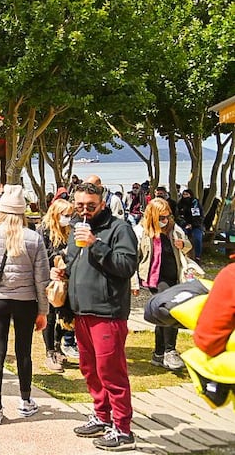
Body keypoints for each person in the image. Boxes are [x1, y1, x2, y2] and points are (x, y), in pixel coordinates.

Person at [59, 182, 138, 450]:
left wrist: (96, 245)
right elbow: (73, 261)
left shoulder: (119, 228)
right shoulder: (75, 228)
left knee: (111, 371)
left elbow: (127, 266)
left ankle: (123, 429)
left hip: (108, 311)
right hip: (81, 310)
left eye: (90, 206)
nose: (84, 211)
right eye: (79, 205)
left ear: (102, 204)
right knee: (89, 369)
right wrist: (63, 270)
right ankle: (103, 416)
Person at [0, 185, 49, 425]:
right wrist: (43, 310)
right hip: (25, 300)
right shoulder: (34, 238)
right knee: (23, 351)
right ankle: (25, 400)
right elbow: (42, 278)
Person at [134, 197, 191, 371]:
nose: (165, 220)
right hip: (155, 279)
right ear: (153, 216)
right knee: (170, 311)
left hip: (176, 277)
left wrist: (183, 244)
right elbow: (133, 258)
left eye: (167, 216)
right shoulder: (141, 231)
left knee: (163, 315)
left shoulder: (174, 229)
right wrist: (133, 283)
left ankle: (159, 353)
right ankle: (169, 350)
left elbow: (187, 247)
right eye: (161, 217)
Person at [38, 198, 77, 372]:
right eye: (65, 215)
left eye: (70, 215)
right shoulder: (43, 230)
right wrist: (59, 255)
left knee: (66, 316)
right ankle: (50, 351)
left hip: (67, 278)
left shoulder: (71, 230)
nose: (68, 218)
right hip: (50, 279)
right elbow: (40, 256)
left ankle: (58, 343)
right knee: (51, 315)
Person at [176, 188, 204, 262]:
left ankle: (197, 257)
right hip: (183, 225)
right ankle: (181, 254)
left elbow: (198, 217)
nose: (185, 196)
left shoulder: (195, 203)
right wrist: (184, 224)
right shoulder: (180, 204)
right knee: (181, 236)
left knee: (197, 238)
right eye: (184, 194)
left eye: (187, 194)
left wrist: (192, 224)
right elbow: (178, 216)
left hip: (196, 226)